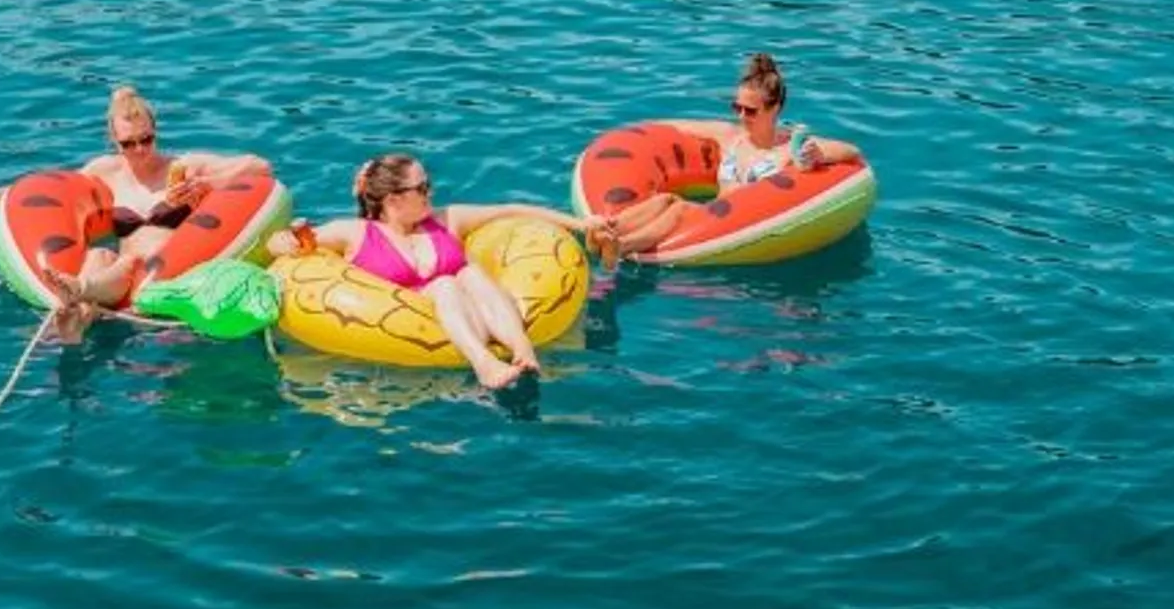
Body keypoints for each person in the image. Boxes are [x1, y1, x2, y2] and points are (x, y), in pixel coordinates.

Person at [267, 153, 615, 390]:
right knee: (447, 283)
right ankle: (484, 364)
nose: (430, 192)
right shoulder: (356, 234)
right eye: (420, 188)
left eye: (427, 183)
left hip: (479, 311)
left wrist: (584, 226)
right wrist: (280, 241)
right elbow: (288, 246)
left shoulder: (448, 220)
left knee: (469, 274)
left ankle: (522, 348)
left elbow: (511, 210)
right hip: (411, 325)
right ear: (392, 200)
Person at [0, 85, 270, 341]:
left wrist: (206, 184)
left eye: (146, 140)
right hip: (118, 279)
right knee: (101, 257)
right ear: (113, 140)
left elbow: (259, 166)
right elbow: (52, 190)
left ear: (156, 131)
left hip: (166, 276)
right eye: (128, 144)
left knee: (129, 263)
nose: (140, 150)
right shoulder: (104, 172)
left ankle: (79, 298)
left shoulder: (185, 167)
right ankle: (77, 315)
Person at [598, 53, 864, 261]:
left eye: (750, 111)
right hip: (707, 219)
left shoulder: (786, 150)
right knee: (666, 199)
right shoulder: (729, 136)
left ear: (775, 109)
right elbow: (670, 127)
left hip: (737, 227)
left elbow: (851, 151)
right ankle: (606, 229)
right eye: (736, 107)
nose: (741, 116)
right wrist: (629, 134)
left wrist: (816, 154)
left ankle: (621, 247)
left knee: (678, 207)